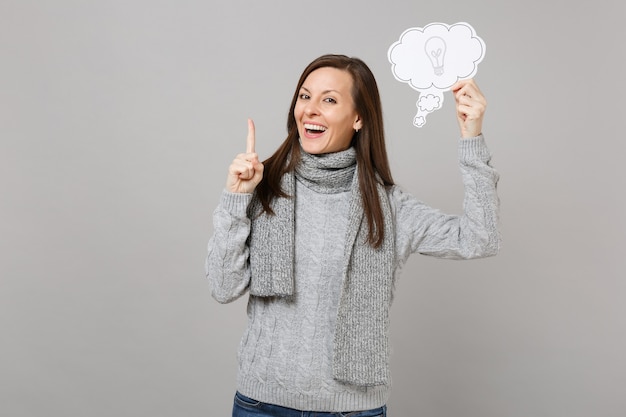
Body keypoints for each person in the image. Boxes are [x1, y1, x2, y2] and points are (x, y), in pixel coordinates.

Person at [206, 54, 500, 417]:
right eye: (304, 96)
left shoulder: (388, 208)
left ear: (358, 118)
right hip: (260, 405)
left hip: (351, 411)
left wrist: (471, 139)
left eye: (329, 100)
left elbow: (480, 237)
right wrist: (236, 198)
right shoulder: (262, 187)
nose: (310, 110)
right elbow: (223, 286)